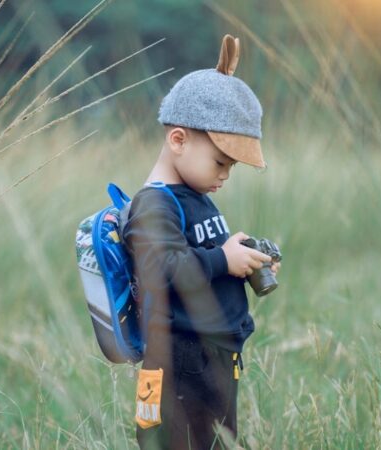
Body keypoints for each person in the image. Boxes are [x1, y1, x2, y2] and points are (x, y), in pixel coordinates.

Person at [122, 35, 281, 449]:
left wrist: (242, 262)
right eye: (220, 162)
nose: (225, 174)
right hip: (178, 363)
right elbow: (163, 268)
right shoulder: (154, 203)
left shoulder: (196, 196)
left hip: (213, 359)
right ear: (178, 140)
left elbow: (201, 259)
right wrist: (221, 260)